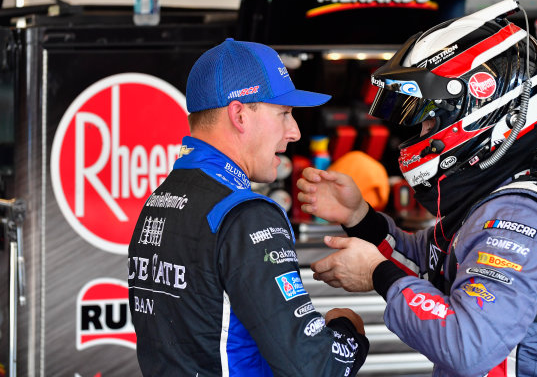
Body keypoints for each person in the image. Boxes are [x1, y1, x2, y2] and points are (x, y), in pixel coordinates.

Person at [297, 0, 537, 376]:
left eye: (428, 121)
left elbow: (467, 346)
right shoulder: (497, 200)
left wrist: (377, 274)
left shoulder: (524, 216)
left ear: (486, 112)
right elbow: (426, 265)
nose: (419, 135)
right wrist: (358, 217)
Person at [128, 38, 369, 376]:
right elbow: (313, 367)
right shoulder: (246, 216)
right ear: (239, 114)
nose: (294, 132)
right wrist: (348, 330)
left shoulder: (161, 200)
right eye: (283, 113)